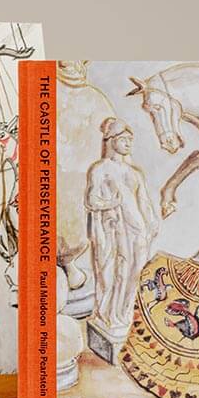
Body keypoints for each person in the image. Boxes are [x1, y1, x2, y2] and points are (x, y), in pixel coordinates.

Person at [85, 117, 159, 334]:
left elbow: (144, 201)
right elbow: (91, 200)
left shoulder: (135, 173)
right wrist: (110, 203)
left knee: (137, 273)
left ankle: (126, 314)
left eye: (130, 140)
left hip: (138, 232)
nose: (128, 143)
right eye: (124, 139)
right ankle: (110, 315)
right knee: (116, 274)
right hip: (116, 231)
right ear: (111, 140)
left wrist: (152, 222)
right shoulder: (100, 169)